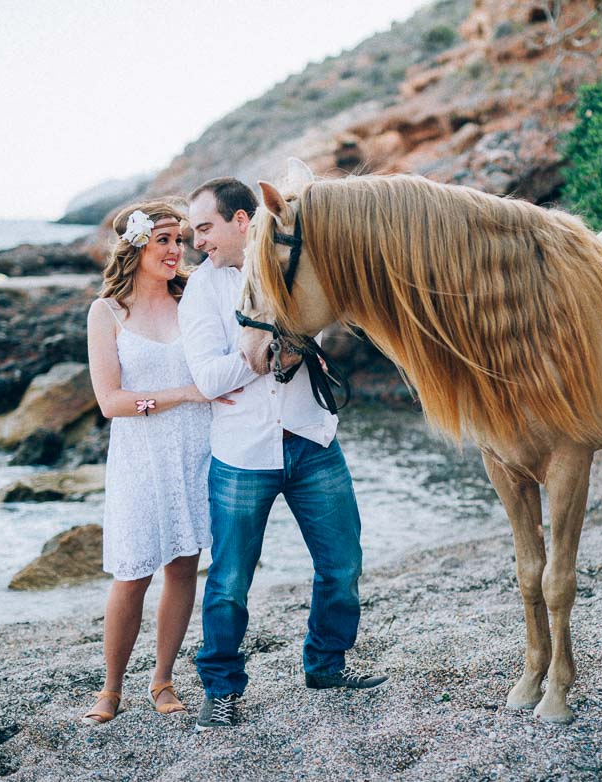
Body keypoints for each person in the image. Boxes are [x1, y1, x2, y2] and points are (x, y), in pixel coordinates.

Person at [180, 177, 386, 730]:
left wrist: (293, 344)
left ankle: (326, 666)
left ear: (243, 221)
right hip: (242, 454)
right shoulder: (202, 290)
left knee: (342, 565)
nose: (197, 241)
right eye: (193, 231)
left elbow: (321, 324)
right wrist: (276, 352)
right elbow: (206, 376)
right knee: (228, 582)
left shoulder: (291, 262)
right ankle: (221, 690)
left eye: (205, 227)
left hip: (311, 438)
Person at [82, 200, 234, 724]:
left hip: (198, 450)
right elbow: (111, 402)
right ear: (136, 244)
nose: (176, 250)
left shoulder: (193, 297)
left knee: (184, 566)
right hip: (141, 458)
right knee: (131, 573)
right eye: (164, 240)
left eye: (180, 240)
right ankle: (111, 688)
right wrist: (183, 394)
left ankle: (163, 680)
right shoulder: (107, 313)